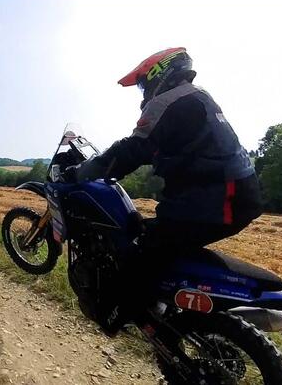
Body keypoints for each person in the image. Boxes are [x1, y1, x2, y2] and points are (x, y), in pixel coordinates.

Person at [68, 48, 263, 329]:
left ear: (160, 74)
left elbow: (133, 150)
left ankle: (118, 315)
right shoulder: (196, 96)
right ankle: (164, 304)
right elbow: (156, 148)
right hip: (231, 193)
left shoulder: (168, 101)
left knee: (140, 252)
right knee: (157, 240)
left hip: (218, 197)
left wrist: (84, 171)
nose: (144, 90)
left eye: (144, 83)